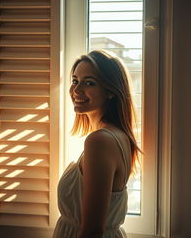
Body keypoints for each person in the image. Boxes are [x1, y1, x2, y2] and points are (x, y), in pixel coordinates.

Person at [52, 50, 141, 238]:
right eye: (75, 81)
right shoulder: (115, 136)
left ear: (110, 91)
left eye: (89, 83)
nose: (76, 90)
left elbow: (92, 231)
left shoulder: (100, 141)